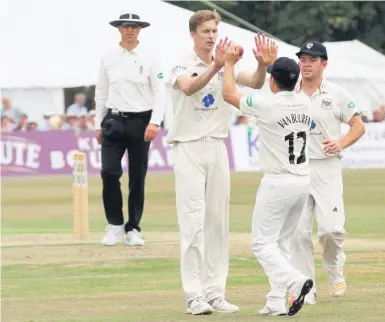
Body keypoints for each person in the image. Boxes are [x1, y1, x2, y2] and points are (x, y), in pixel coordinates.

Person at [167, 9, 276, 316]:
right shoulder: (181, 62)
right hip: (188, 147)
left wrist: (261, 65)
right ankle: (194, 294)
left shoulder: (224, 62)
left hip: (217, 146)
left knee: (217, 222)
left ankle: (215, 292)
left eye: (215, 31)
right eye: (206, 32)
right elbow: (188, 87)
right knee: (193, 222)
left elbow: (254, 83)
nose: (212, 36)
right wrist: (217, 66)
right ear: (193, 35)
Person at [222, 44, 314, 316]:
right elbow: (285, 89)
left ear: (273, 80)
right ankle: (275, 301)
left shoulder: (267, 104)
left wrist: (228, 64)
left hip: (278, 182)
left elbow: (229, 93)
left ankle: (294, 282)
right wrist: (273, 64)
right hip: (302, 182)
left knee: (262, 244)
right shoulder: (304, 101)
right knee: (280, 244)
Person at [288, 41, 366, 304]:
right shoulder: (288, 92)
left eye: (312, 59)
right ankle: (305, 287)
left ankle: (335, 273)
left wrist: (341, 143)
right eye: (303, 59)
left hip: (326, 167)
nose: (306, 64)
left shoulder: (336, 93)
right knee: (298, 233)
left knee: (331, 231)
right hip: (295, 170)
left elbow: (358, 125)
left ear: (324, 64)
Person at [94, 13, 165, 246]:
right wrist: (98, 123)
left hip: (141, 121)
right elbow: (101, 92)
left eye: (134, 27)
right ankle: (115, 224)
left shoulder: (150, 56)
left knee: (137, 177)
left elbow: (159, 92)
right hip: (113, 120)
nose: (130, 30)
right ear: (119, 29)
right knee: (109, 172)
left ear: (139, 30)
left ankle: (133, 227)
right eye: (126, 27)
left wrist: (155, 121)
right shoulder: (108, 57)